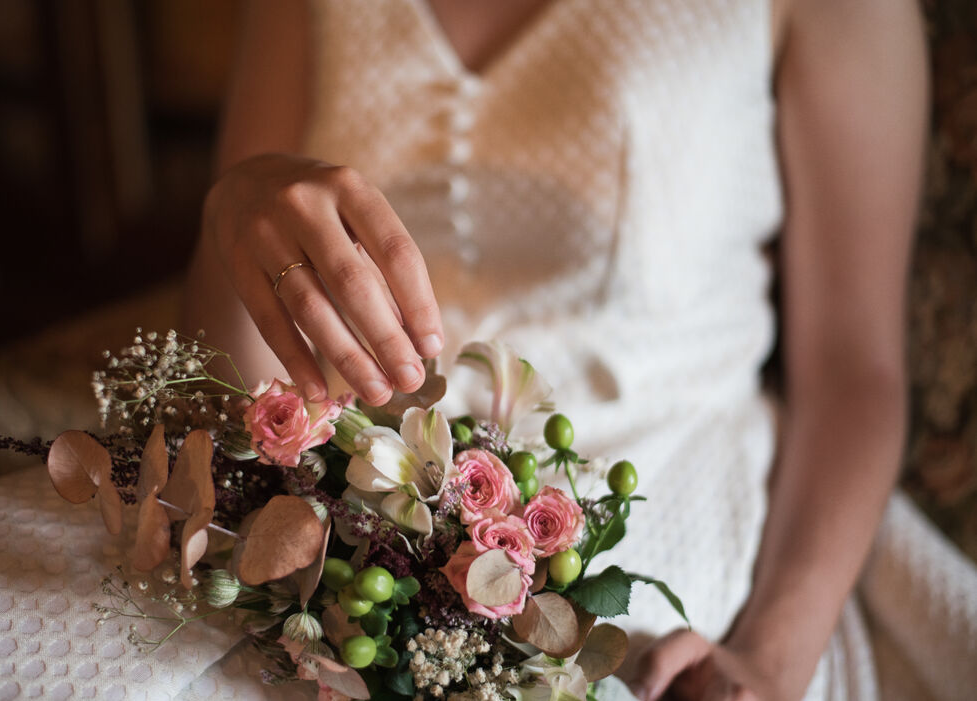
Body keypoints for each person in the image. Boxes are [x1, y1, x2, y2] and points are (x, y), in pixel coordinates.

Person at [182, 1, 977, 700]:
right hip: (355, 537)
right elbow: (234, 374)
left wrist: (771, 657)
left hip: (670, 511)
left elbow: (854, 367)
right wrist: (234, 211)